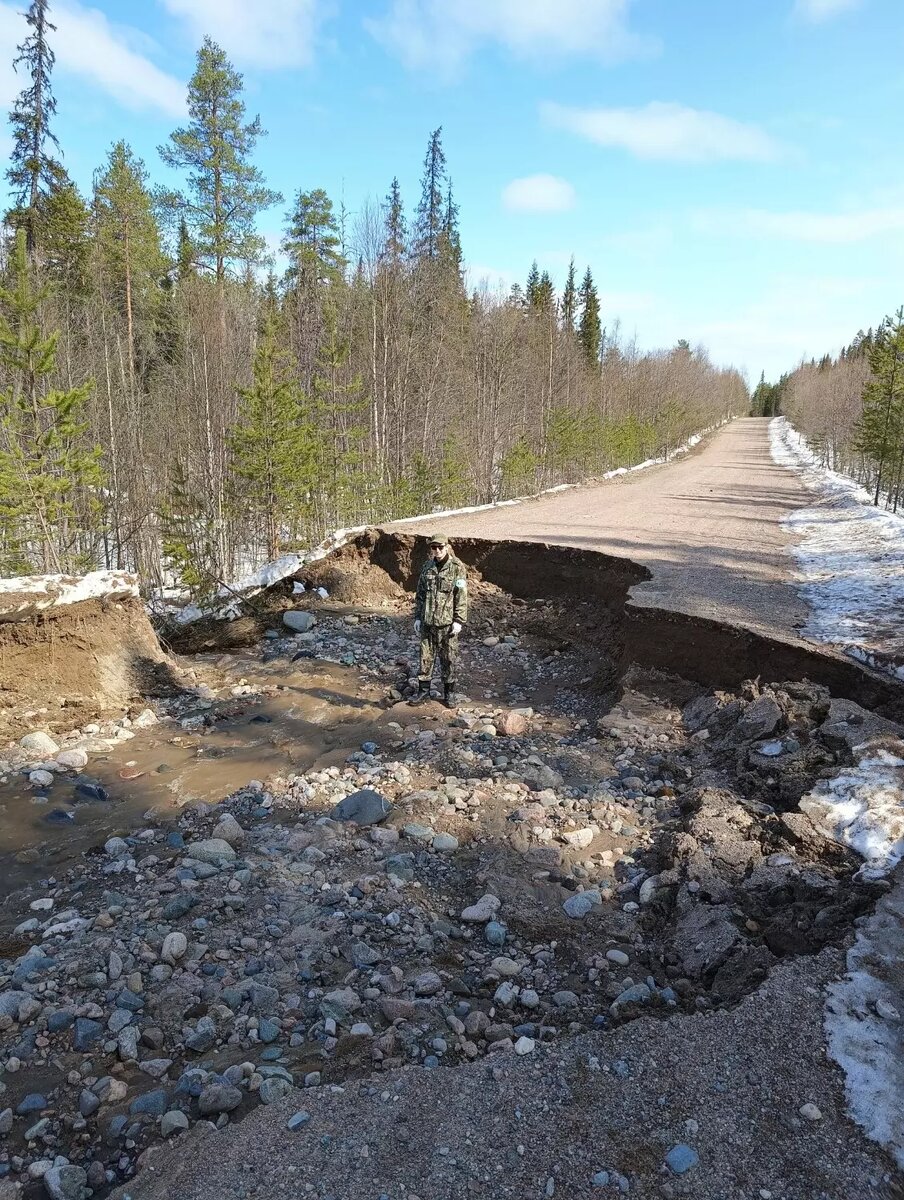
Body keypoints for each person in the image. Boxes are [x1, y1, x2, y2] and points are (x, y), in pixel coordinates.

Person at [410, 534, 468, 708]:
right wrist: (418, 617)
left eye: (440, 547)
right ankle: (423, 692)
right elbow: (420, 594)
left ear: (447, 547)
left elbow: (461, 595)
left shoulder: (457, 567)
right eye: (434, 547)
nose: (437, 551)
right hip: (428, 622)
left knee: (449, 658)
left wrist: (459, 620)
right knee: (425, 658)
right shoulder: (427, 567)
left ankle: (449, 693)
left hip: (447, 623)